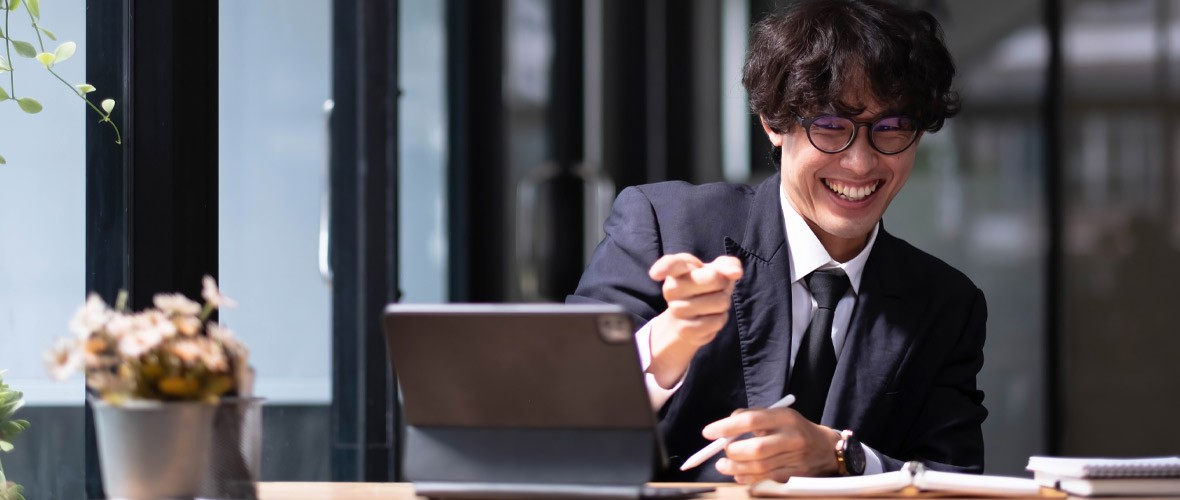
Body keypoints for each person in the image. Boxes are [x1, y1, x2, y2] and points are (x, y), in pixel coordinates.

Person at [568, 0, 987, 484]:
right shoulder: (666, 226)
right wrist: (668, 342)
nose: (860, 164)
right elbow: (560, 409)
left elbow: (957, 479)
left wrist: (840, 454)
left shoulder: (945, 304)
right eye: (831, 126)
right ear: (773, 122)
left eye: (891, 128)